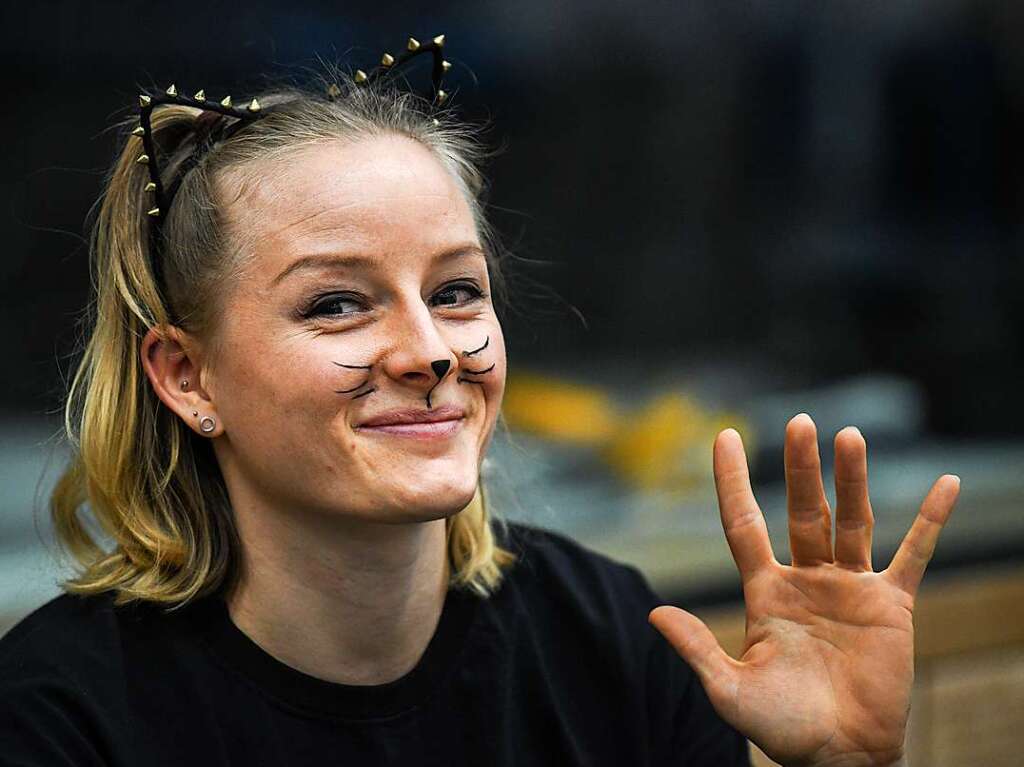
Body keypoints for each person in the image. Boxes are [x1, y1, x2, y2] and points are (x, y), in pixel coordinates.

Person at [0, 46, 959, 767]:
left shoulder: (607, 634)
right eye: (337, 303)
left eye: (456, 291)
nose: (430, 351)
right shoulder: (63, 715)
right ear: (186, 377)